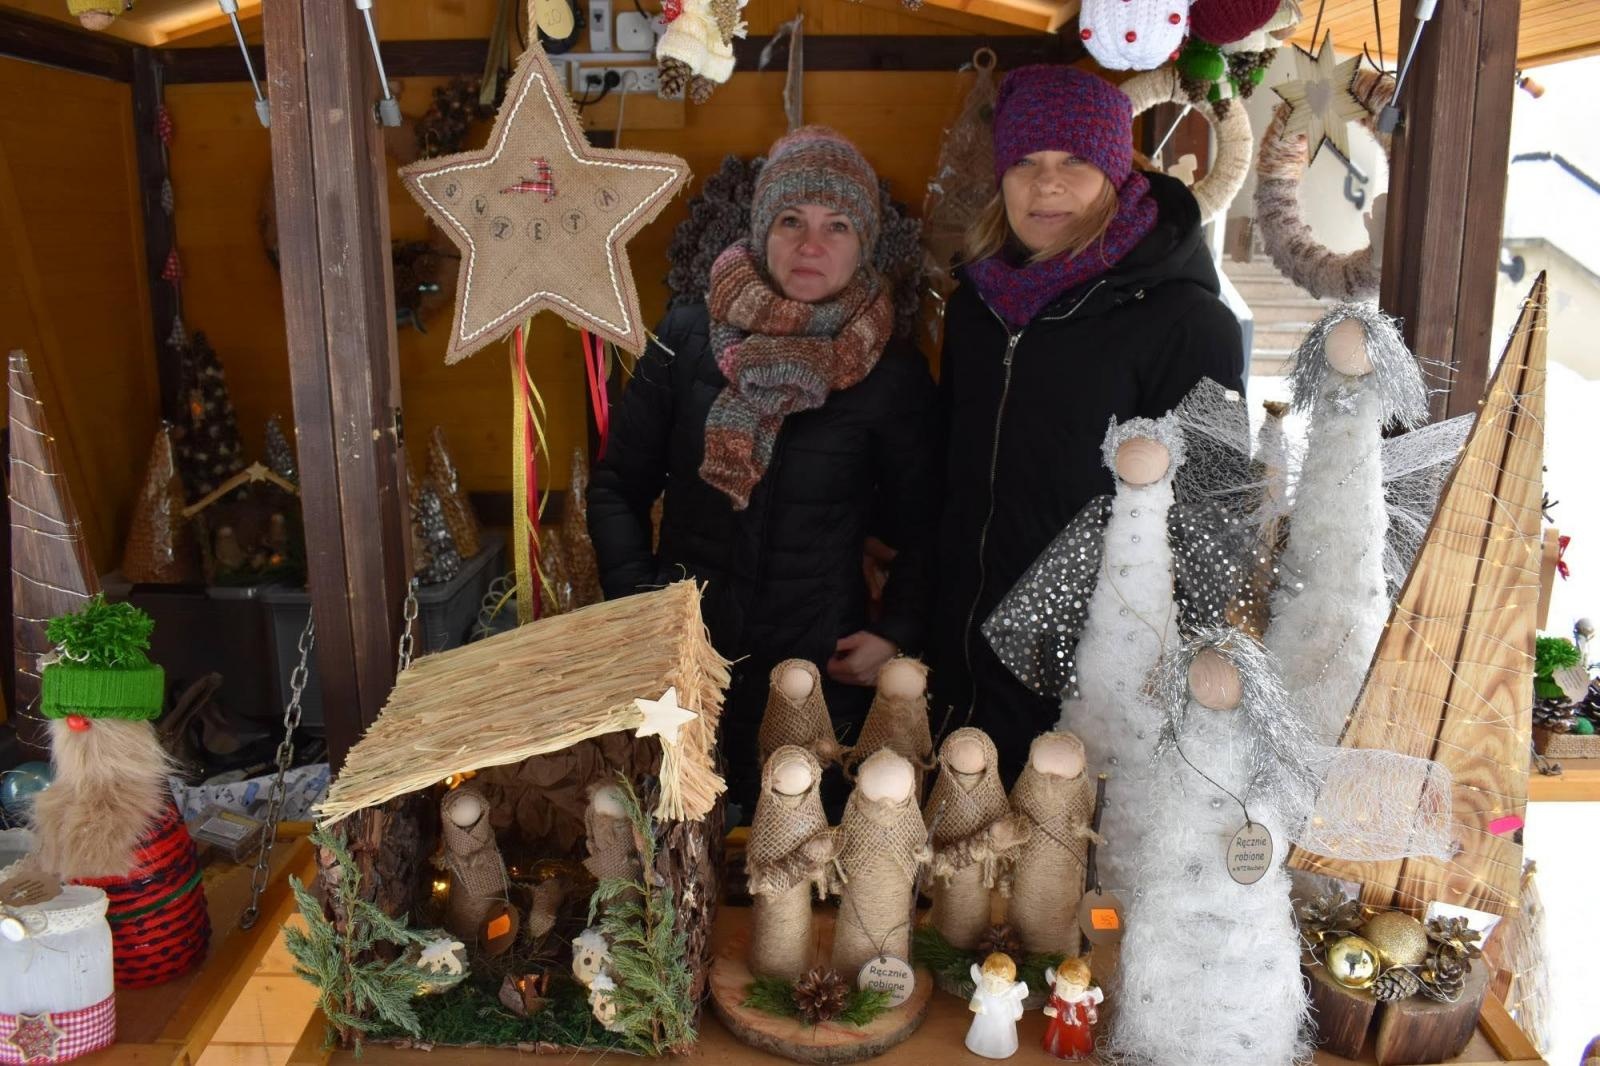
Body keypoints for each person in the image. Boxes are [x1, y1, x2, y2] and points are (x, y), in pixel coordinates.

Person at [588, 127, 938, 815]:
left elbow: (929, 523)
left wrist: (897, 632)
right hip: (686, 667)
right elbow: (615, 489)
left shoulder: (890, 369)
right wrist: (641, 607)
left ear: (864, 241)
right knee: (680, 856)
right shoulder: (686, 337)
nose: (812, 244)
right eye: (791, 220)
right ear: (760, 230)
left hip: (816, 673)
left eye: (836, 225)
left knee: (795, 866)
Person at [929, 65, 1246, 783]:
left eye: (1075, 160)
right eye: (1026, 163)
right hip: (959, 676)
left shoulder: (1190, 323)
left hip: (1097, 699)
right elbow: (951, 483)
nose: (1047, 185)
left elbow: (1216, 527)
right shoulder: (977, 309)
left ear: (1114, 170)